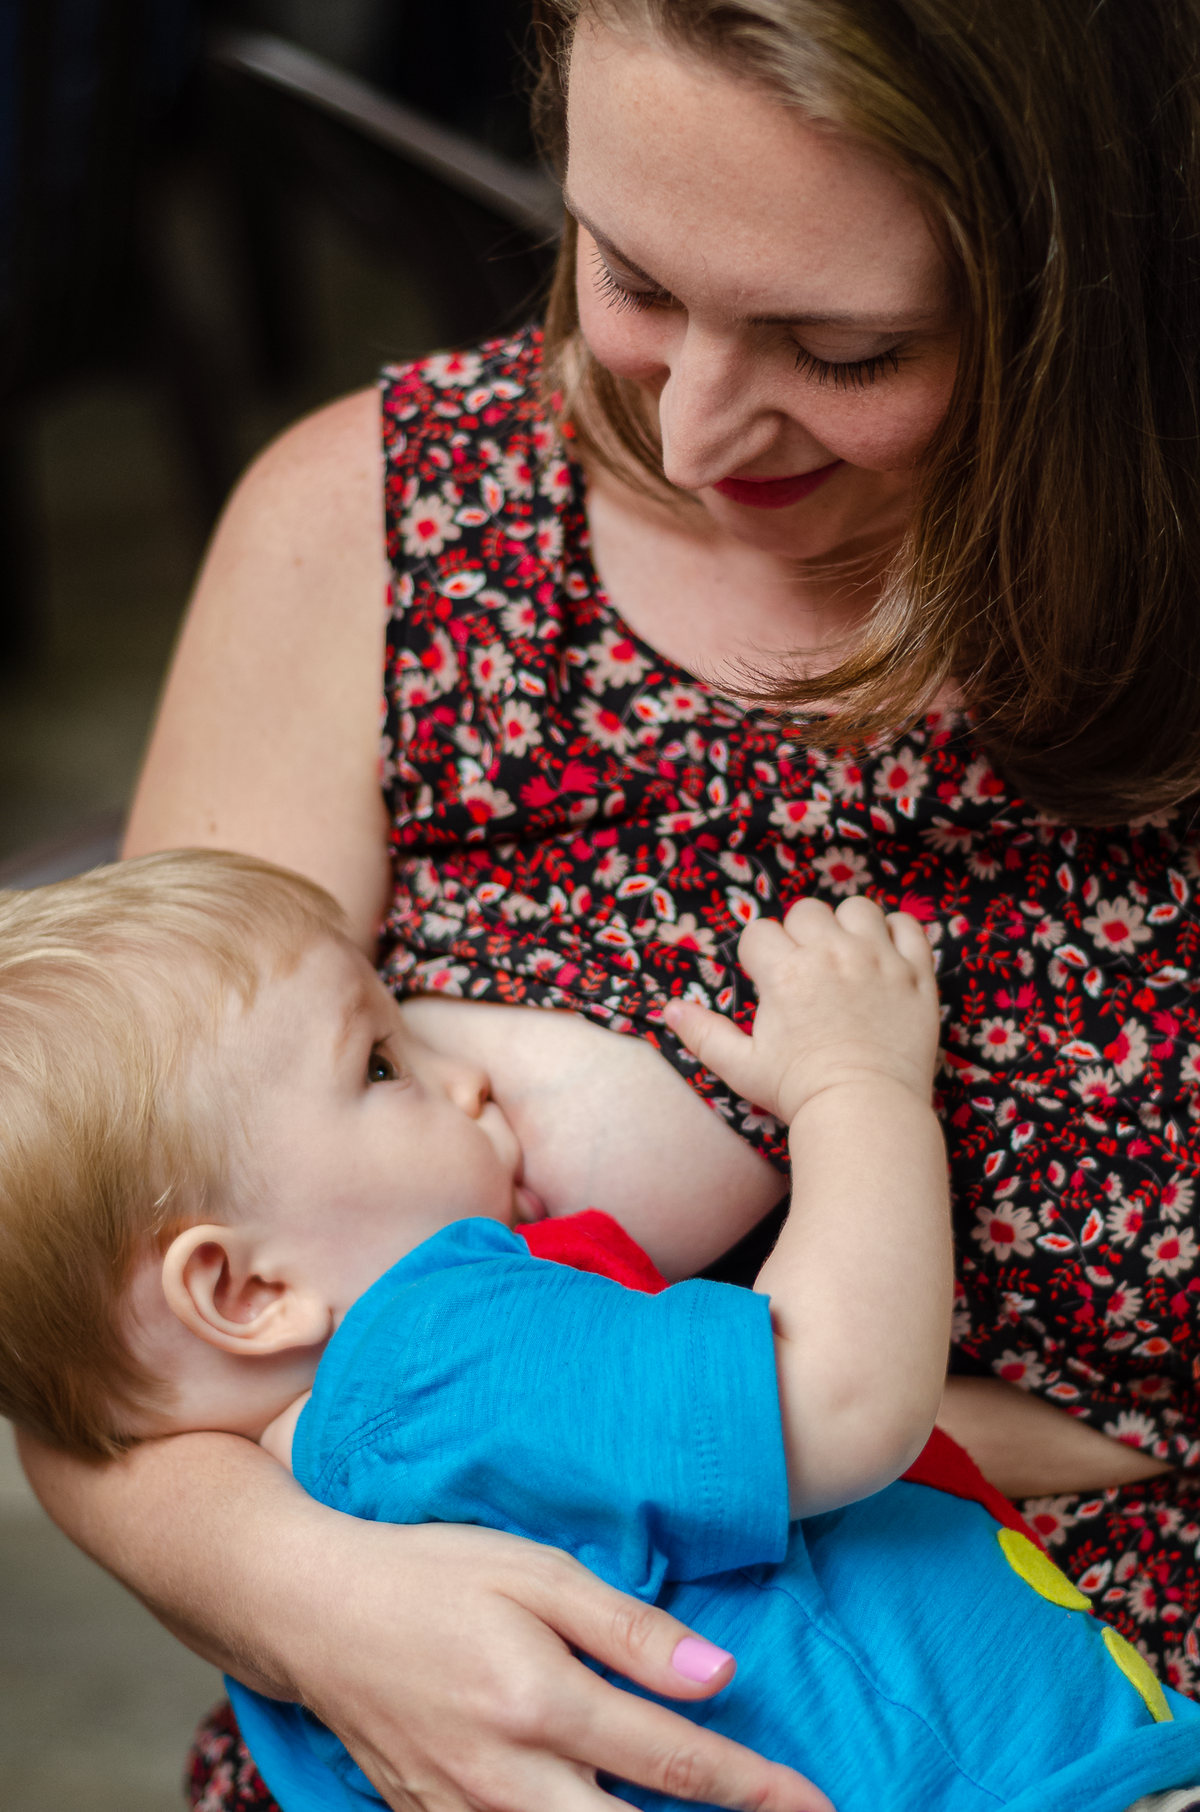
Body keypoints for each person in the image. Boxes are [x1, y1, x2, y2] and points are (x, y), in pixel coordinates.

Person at [17, 3, 1200, 1809]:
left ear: (1094, 285)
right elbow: (115, 1324)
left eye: (843, 344)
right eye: (631, 276)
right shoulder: (378, 531)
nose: (703, 425)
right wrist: (313, 1598)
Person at [3, 848, 1199, 1812]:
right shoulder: (444, 1342)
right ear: (245, 1292)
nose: (465, 1076)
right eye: (380, 1063)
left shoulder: (303, 1612)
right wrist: (858, 1085)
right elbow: (835, 1399)